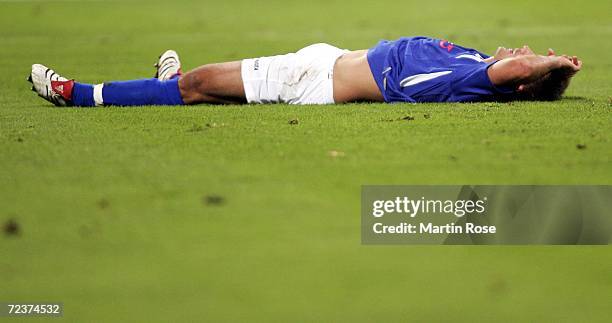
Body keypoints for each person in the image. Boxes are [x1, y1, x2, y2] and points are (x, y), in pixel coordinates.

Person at [27, 36, 582, 107]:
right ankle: (163, 79)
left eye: (531, 58)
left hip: (309, 82)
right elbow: (513, 64)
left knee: (196, 86)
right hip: (326, 59)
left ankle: (77, 95)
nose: (526, 48)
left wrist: (555, 66)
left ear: (522, 80)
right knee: (196, 79)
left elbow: (517, 69)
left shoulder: (475, 80)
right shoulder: (472, 61)